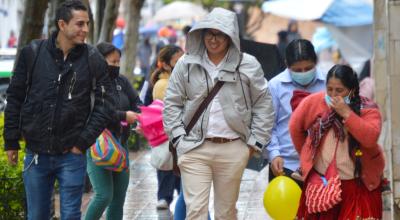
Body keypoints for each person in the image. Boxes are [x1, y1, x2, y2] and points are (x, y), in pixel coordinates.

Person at [3, 1, 114, 219]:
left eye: (87, 24)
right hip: (36, 154)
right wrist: (11, 140)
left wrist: (82, 143)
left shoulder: (93, 58)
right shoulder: (32, 52)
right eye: (80, 24)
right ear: (62, 24)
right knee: (36, 215)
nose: (85, 29)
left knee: (71, 215)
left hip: (71, 155)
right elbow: (15, 97)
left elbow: (106, 103)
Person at [163, 7, 274, 220]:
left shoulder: (248, 64)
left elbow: (263, 104)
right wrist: (178, 138)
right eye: (209, 33)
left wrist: (254, 144)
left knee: (226, 213)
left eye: (220, 34)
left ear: (231, 36)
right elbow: (172, 104)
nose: (214, 39)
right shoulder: (185, 64)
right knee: (195, 211)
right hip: (194, 147)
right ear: (201, 34)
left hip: (234, 148)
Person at [289, 64, 385, 219]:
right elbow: (295, 127)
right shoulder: (315, 102)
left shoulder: (367, 109)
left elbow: (370, 138)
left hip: (356, 185)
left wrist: (347, 113)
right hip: (322, 183)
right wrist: (307, 155)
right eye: (330, 89)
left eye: (339, 90)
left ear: (352, 90)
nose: (333, 95)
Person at [84, 42, 142, 220]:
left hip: (120, 145)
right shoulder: (89, 83)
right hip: (98, 145)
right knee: (104, 195)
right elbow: (95, 111)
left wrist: (140, 117)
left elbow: (136, 102)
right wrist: (124, 115)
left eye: (118, 62)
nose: (116, 66)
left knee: (118, 198)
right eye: (112, 62)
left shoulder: (122, 81)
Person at [266, 39, 326, 186]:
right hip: (285, 165)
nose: (303, 73)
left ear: (316, 62)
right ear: (287, 65)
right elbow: (268, 125)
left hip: (322, 166)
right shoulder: (275, 86)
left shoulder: (328, 84)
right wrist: (274, 154)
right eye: (297, 70)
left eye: (308, 68)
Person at [150, 45, 183, 210]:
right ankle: (165, 196)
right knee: (167, 164)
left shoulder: (179, 79)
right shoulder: (163, 84)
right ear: (165, 64)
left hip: (177, 132)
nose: (182, 64)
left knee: (176, 166)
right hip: (166, 133)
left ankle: (175, 196)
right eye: (177, 61)